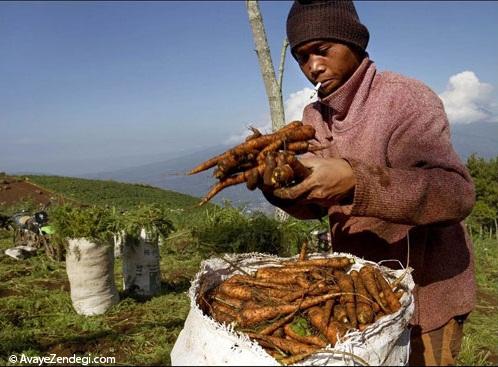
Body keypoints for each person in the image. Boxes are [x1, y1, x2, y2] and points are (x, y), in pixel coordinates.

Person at [262, 1, 476, 365]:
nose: (312, 67)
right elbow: (319, 205)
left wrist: (355, 181)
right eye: (301, 57)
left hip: (427, 296)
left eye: (322, 50)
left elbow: (455, 193)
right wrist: (283, 192)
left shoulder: (405, 100)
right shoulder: (314, 116)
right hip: (361, 295)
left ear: (354, 43)